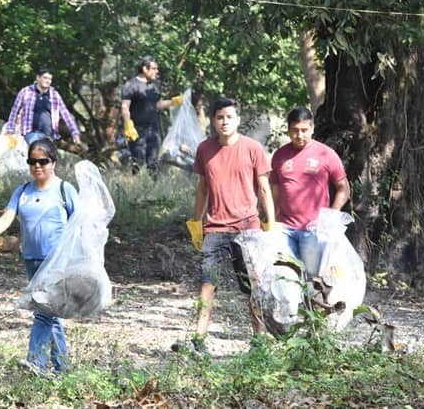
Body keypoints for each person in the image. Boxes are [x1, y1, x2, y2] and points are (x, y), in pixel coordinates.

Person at [0, 138, 78, 375]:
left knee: (44, 310)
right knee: (51, 314)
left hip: (57, 261)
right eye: (32, 161)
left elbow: (79, 223)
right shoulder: (22, 191)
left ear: (54, 162)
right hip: (31, 259)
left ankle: (36, 362)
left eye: (43, 161)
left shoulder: (64, 190)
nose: (37, 166)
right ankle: (63, 369)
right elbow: (8, 216)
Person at [186, 97, 277, 352]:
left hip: (248, 228)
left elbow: (264, 189)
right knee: (207, 283)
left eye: (229, 117)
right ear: (213, 121)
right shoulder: (205, 149)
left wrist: (270, 224)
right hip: (215, 228)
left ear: (238, 119)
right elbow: (202, 189)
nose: (224, 122)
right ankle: (198, 339)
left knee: (251, 285)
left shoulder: (253, 148)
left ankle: (259, 338)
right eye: (219, 117)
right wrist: (196, 222)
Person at [270, 107, 350, 277]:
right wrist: (272, 218)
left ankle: (312, 304)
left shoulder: (326, 154)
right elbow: (275, 189)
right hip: (285, 228)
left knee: (313, 277)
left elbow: (343, 188)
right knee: (285, 275)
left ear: (312, 128)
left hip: (314, 230)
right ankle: (291, 304)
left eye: (304, 130)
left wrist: (331, 216)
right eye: (295, 130)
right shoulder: (279, 155)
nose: (299, 135)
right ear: (288, 129)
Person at [120, 56, 183, 173]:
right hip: (136, 130)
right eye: (154, 68)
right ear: (144, 68)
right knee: (137, 162)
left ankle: (152, 188)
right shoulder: (130, 85)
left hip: (154, 129)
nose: (157, 71)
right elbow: (125, 106)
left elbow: (157, 105)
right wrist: (128, 124)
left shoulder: (155, 86)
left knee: (153, 163)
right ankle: (136, 188)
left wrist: (173, 102)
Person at [5, 68, 82, 145]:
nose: (47, 81)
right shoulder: (26, 92)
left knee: (48, 155)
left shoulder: (54, 95)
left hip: (49, 135)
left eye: (50, 79)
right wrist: (10, 130)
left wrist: (75, 132)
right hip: (30, 132)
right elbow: (14, 112)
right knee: (36, 150)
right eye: (45, 78)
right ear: (38, 78)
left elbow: (66, 114)